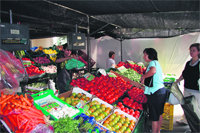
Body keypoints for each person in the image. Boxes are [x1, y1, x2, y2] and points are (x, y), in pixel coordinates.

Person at [140, 48, 167, 133]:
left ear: (150, 55)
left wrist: (143, 77)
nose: (144, 56)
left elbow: (153, 71)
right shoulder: (157, 63)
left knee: (154, 117)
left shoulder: (152, 62)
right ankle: (158, 131)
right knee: (159, 114)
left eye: (145, 54)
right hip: (161, 91)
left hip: (155, 93)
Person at [175, 43, 200, 125]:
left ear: (198, 52)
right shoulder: (188, 63)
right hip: (187, 88)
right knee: (187, 107)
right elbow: (184, 74)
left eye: (194, 50)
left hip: (197, 91)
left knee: (196, 109)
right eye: (190, 50)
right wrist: (177, 81)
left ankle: (197, 124)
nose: (191, 52)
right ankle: (186, 120)